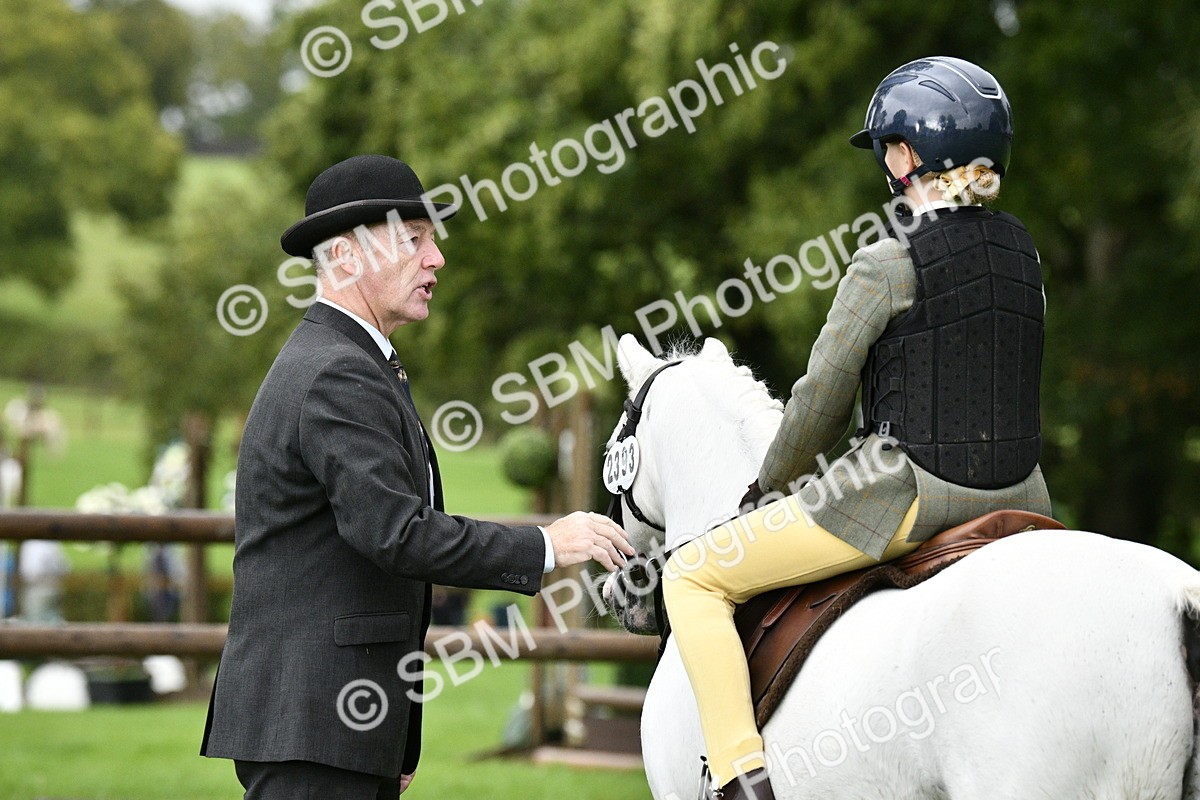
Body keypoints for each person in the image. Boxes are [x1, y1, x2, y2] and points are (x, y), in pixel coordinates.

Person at [661, 57, 1053, 799]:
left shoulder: (887, 262)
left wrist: (769, 486)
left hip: (907, 497)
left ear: (908, 156)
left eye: (887, 149)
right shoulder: (1023, 254)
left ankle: (737, 773)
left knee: (692, 575)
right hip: (1023, 497)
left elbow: (818, 404)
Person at [200, 154, 634, 799]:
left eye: (433, 241)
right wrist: (549, 545)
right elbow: (398, 535)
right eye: (414, 240)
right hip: (314, 727)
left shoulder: (351, 361)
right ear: (345, 257)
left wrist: (393, 737)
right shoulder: (336, 373)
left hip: (334, 728)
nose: (436, 261)